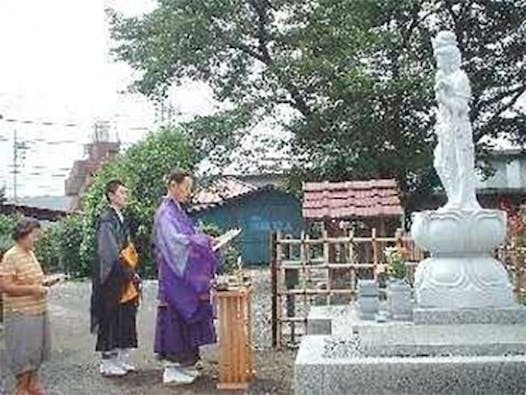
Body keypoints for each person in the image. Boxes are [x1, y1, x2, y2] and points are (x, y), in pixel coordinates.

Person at [152, 169, 218, 385]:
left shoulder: (176, 210)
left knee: (183, 320)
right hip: (174, 277)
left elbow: (187, 237)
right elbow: (175, 242)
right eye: (186, 187)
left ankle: (185, 364)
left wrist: (202, 239)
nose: (188, 193)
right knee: (174, 319)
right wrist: (199, 242)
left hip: (180, 276)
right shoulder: (165, 212)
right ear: (173, 185)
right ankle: (172, 367)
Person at [90, 179, 140, 377]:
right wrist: (125, 268)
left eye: (126, 192)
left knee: (124, 316)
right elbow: (108, 251)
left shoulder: (120, 217)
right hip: (110, 276)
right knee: (110, 316)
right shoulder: (106, 218)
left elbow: (127, 246)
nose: (125, 196)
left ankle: (120, 358)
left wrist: (131, 268)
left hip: (122, 272)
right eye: (122, 192)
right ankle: (107, 361)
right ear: (111, 195)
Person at [0, 219, 50, 395]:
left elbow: (31, 279)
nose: (37, 240)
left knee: (36, 353)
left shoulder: (30, 253)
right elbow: (5, 287)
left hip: (38, 310)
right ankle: (22, 389)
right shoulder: (11, 256)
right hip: (20, 314)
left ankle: (33, 385)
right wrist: (32, 289)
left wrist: (44, 283)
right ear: (23, 235)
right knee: (23, 356)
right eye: (34, 236)